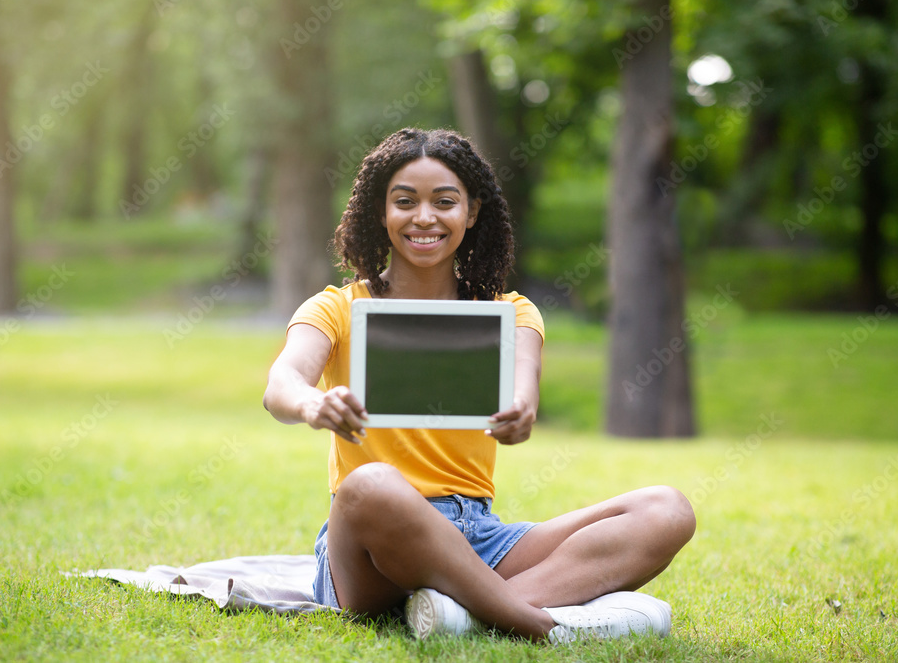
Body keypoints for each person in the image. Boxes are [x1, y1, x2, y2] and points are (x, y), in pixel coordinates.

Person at [263, 128, 695, 644]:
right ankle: (534, 624)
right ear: (381, 213)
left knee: (667, 509)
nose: (424, 217)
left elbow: (522, 387)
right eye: (405, 202)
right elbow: (282, 384)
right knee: (369, 484)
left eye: (444, 202)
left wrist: (519, 411)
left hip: (478, 536)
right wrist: (315, 404)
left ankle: (464, 613)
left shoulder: (509, 313)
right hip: (371, 545)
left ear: (471, 213)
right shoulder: (336, 307)